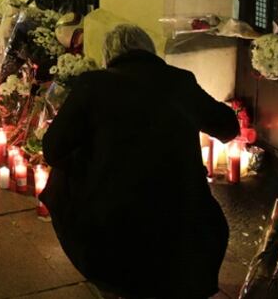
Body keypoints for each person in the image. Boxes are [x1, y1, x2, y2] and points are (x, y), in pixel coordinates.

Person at [41, 24, 239, 299]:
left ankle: (108, 277)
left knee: (61, 177)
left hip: (112, 225)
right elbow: (228, 128)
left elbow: (52, 150)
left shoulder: (93, 84)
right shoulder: (179, 80)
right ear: (150, 51)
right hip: (183, 219)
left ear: (108, 56)